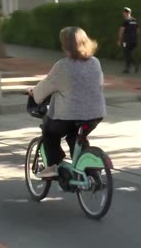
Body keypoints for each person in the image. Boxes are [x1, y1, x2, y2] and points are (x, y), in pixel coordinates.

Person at [27, 27, 107, 178]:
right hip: (95, 114)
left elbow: (45, 87)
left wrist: (33, 92)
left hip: (69, 115)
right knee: (75, 137)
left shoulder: (62, 66)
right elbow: (99, 83)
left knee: (49, 132)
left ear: (65, 46)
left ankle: (53, 166)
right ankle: (88, 171)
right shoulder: (95, 62)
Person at [117, 7, 139, 74]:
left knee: (126, 53)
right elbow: (138, 31)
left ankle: (128, 68)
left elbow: (121, 31)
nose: (123, 13)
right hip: (134, 40)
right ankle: (134, 65)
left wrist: (119, 40)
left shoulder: (125, 21)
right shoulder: (135, 20)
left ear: (125, 13)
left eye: (123, 12)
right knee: (130, 53)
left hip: (126, 41)